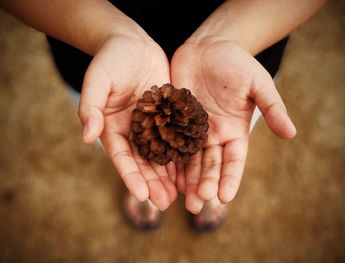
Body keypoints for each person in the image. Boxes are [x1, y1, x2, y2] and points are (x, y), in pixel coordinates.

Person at [0, 0, 325, 232]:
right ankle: (148, 188)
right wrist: (106, 33)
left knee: (226, 135)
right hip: (98, 51)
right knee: (113, 127)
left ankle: (202, 191)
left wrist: (231, 37)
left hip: (238, 57)